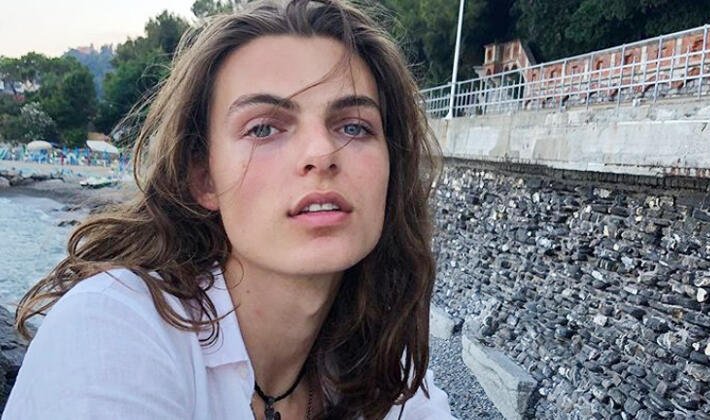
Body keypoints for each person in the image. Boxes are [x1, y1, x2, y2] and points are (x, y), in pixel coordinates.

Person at [4, 0, 452, 419]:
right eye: (263, 128)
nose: (321, 152)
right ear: (204, 178)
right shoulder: (113, 330)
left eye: (353, 126)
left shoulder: (385, 370)